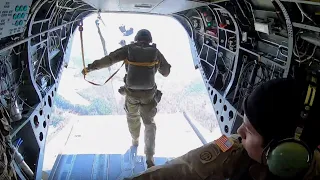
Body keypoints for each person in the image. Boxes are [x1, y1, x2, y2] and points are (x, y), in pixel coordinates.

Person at [126, 78, 320, 180]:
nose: (239, 131)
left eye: (249, 131)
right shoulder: (233, 143)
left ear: (282, 152)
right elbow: (187, 166)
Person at [82, 29, 171, 168]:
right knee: (149, 123)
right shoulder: (155, 52)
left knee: (132, 118)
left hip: (131, 94)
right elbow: (166, 72)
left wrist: (90, 68)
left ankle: (135, 140)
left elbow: (109, 60)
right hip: (149, 95)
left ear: (136, 39)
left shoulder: (129, 49)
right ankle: (149, 157)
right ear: (150, 39)